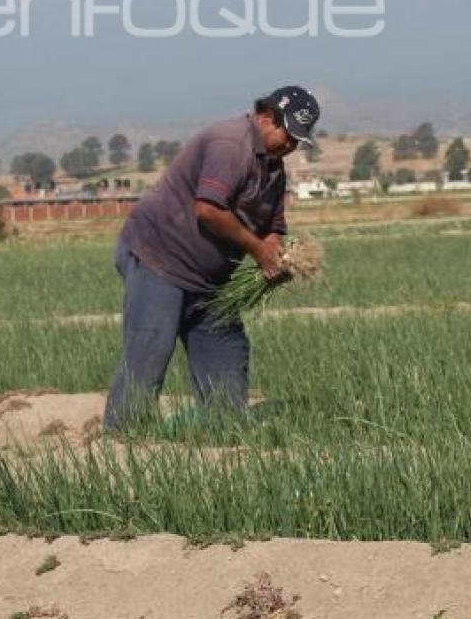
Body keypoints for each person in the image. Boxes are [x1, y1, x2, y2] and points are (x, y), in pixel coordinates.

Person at [104, 86, 320, 431]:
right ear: (266, 117)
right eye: (287, 135)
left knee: (227, 352)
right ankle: (121, 440)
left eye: (298, 140)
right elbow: (208, 210)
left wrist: (277, 255)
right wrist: (257, 250)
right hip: (160, 258)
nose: (291, 146)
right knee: (149, 351)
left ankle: (224, 430)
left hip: (209, 280)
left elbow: (274, 226)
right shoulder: (230, 144)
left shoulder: (274, 169)